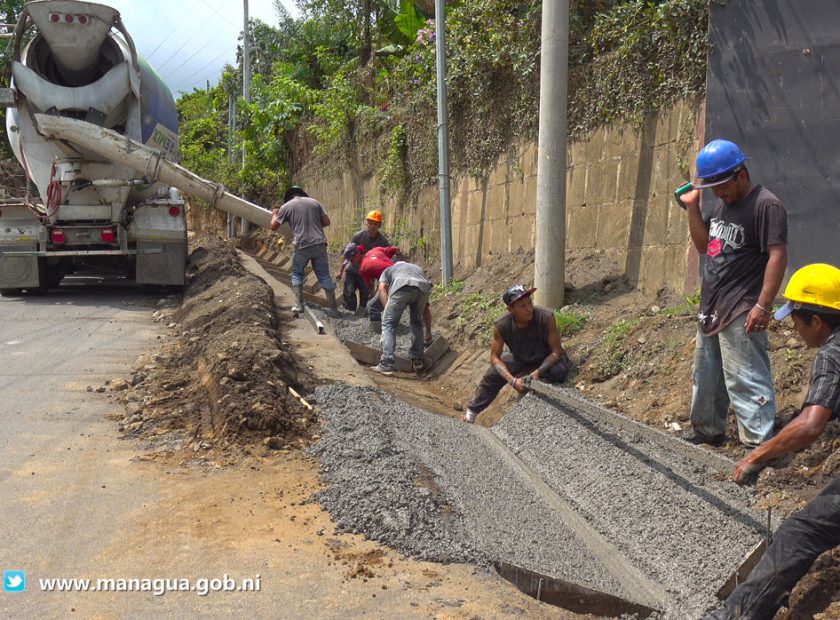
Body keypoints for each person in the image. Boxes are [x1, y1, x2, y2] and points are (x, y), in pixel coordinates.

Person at [704, 263, 840, 620]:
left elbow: (811, 425)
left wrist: (756, 455)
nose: (793, 328)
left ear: (818, 321)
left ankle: (734, 616)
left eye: (796, 318)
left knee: (800, 532)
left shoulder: (831, 354)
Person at [678, 139, 787, 447]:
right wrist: (693, 208)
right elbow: (704, 247)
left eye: (722, 185)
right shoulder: (721, 206)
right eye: (713, 188)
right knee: (706, 375)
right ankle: (707, 431)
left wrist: (763, 305)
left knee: (745, 376)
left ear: (741, 173)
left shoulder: (766, 205)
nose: (719, 193)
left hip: (742, 305)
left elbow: (777, 255)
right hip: (712, 304)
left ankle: (758, 444)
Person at [463, 284, 569, 424]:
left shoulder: (546, 317)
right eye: (522, 306)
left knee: (558, 371)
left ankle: (537, 386)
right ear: (510, 309)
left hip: (546, 356)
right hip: (520, 357)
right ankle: (471, 413)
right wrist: (512, 380)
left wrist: (536, 373)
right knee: (493, 374)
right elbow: (494, 358)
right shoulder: (502, 325)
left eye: (529, 303)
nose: (529, 309)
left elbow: (557, 351)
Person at [270, 186, 339, 317]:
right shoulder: (314, 202)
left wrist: (274, 214)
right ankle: (334, 310)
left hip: (301, 245)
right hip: (319, 243)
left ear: (289, 197)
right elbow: (327, 221)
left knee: (297, 274)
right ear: (302, 194)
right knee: (324, 275)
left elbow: (273, 226)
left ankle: (299, 305)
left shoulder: (286, 207)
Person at [371, 261, 433, 376]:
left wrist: (387, 310)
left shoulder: (389, 270)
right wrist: (428, 331)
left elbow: (382, 288)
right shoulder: (417, 269)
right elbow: (426, 310)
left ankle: (387, 363)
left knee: (388, 324)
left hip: (401, 286)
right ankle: (417, 360)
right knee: (416, 322)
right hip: (422, 289)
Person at [337, 210, 391, 311]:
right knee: (349, 292)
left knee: (365, 299)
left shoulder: (382, 242)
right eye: (370, 222)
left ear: (379, 225)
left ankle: (362, 316)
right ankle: (350, 314)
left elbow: (384, 263)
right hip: (352, 271)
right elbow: (347, 253)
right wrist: (340, 271)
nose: (372, 226)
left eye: (375, 224)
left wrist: (379, 285)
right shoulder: (358, 236)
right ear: (366, 223)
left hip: (367, 274)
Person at [359, 245, 401, 332]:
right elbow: (394, 249)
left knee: (373, 307)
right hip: (400, 274)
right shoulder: (376, 250)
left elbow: (370, 287)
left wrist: (373, 294)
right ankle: (392, 321)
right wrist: (398, 252)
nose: (352, 262)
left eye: (352, 259)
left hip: (392, 280)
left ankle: (379, 332)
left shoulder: (363, 267)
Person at [339, 242, 367, 310]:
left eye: (351, 260)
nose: (350, 262)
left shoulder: (366, 260)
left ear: (357, 255)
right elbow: (344, 262)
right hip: (351, 273)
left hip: (363, 275)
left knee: (365, 292)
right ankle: (350, 310)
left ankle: (362, 310)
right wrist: (340, 272)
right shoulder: (350, 257)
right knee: (349, 291)